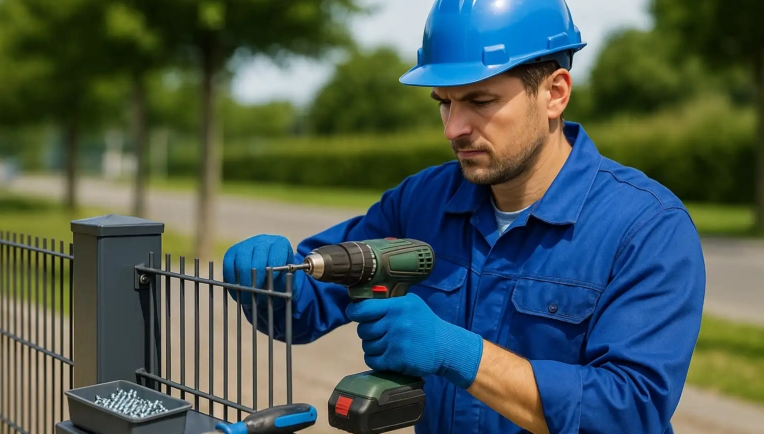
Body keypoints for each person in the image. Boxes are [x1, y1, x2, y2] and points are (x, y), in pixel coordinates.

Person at [222, 0, 706, 432]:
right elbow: (307, 309)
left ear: (555, 93)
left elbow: (630, 410)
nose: (454, 128)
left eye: (480, 101)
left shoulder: (646, 228)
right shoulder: (421, 201)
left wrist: (460, 354)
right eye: (444, 103)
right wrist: (267, 281)